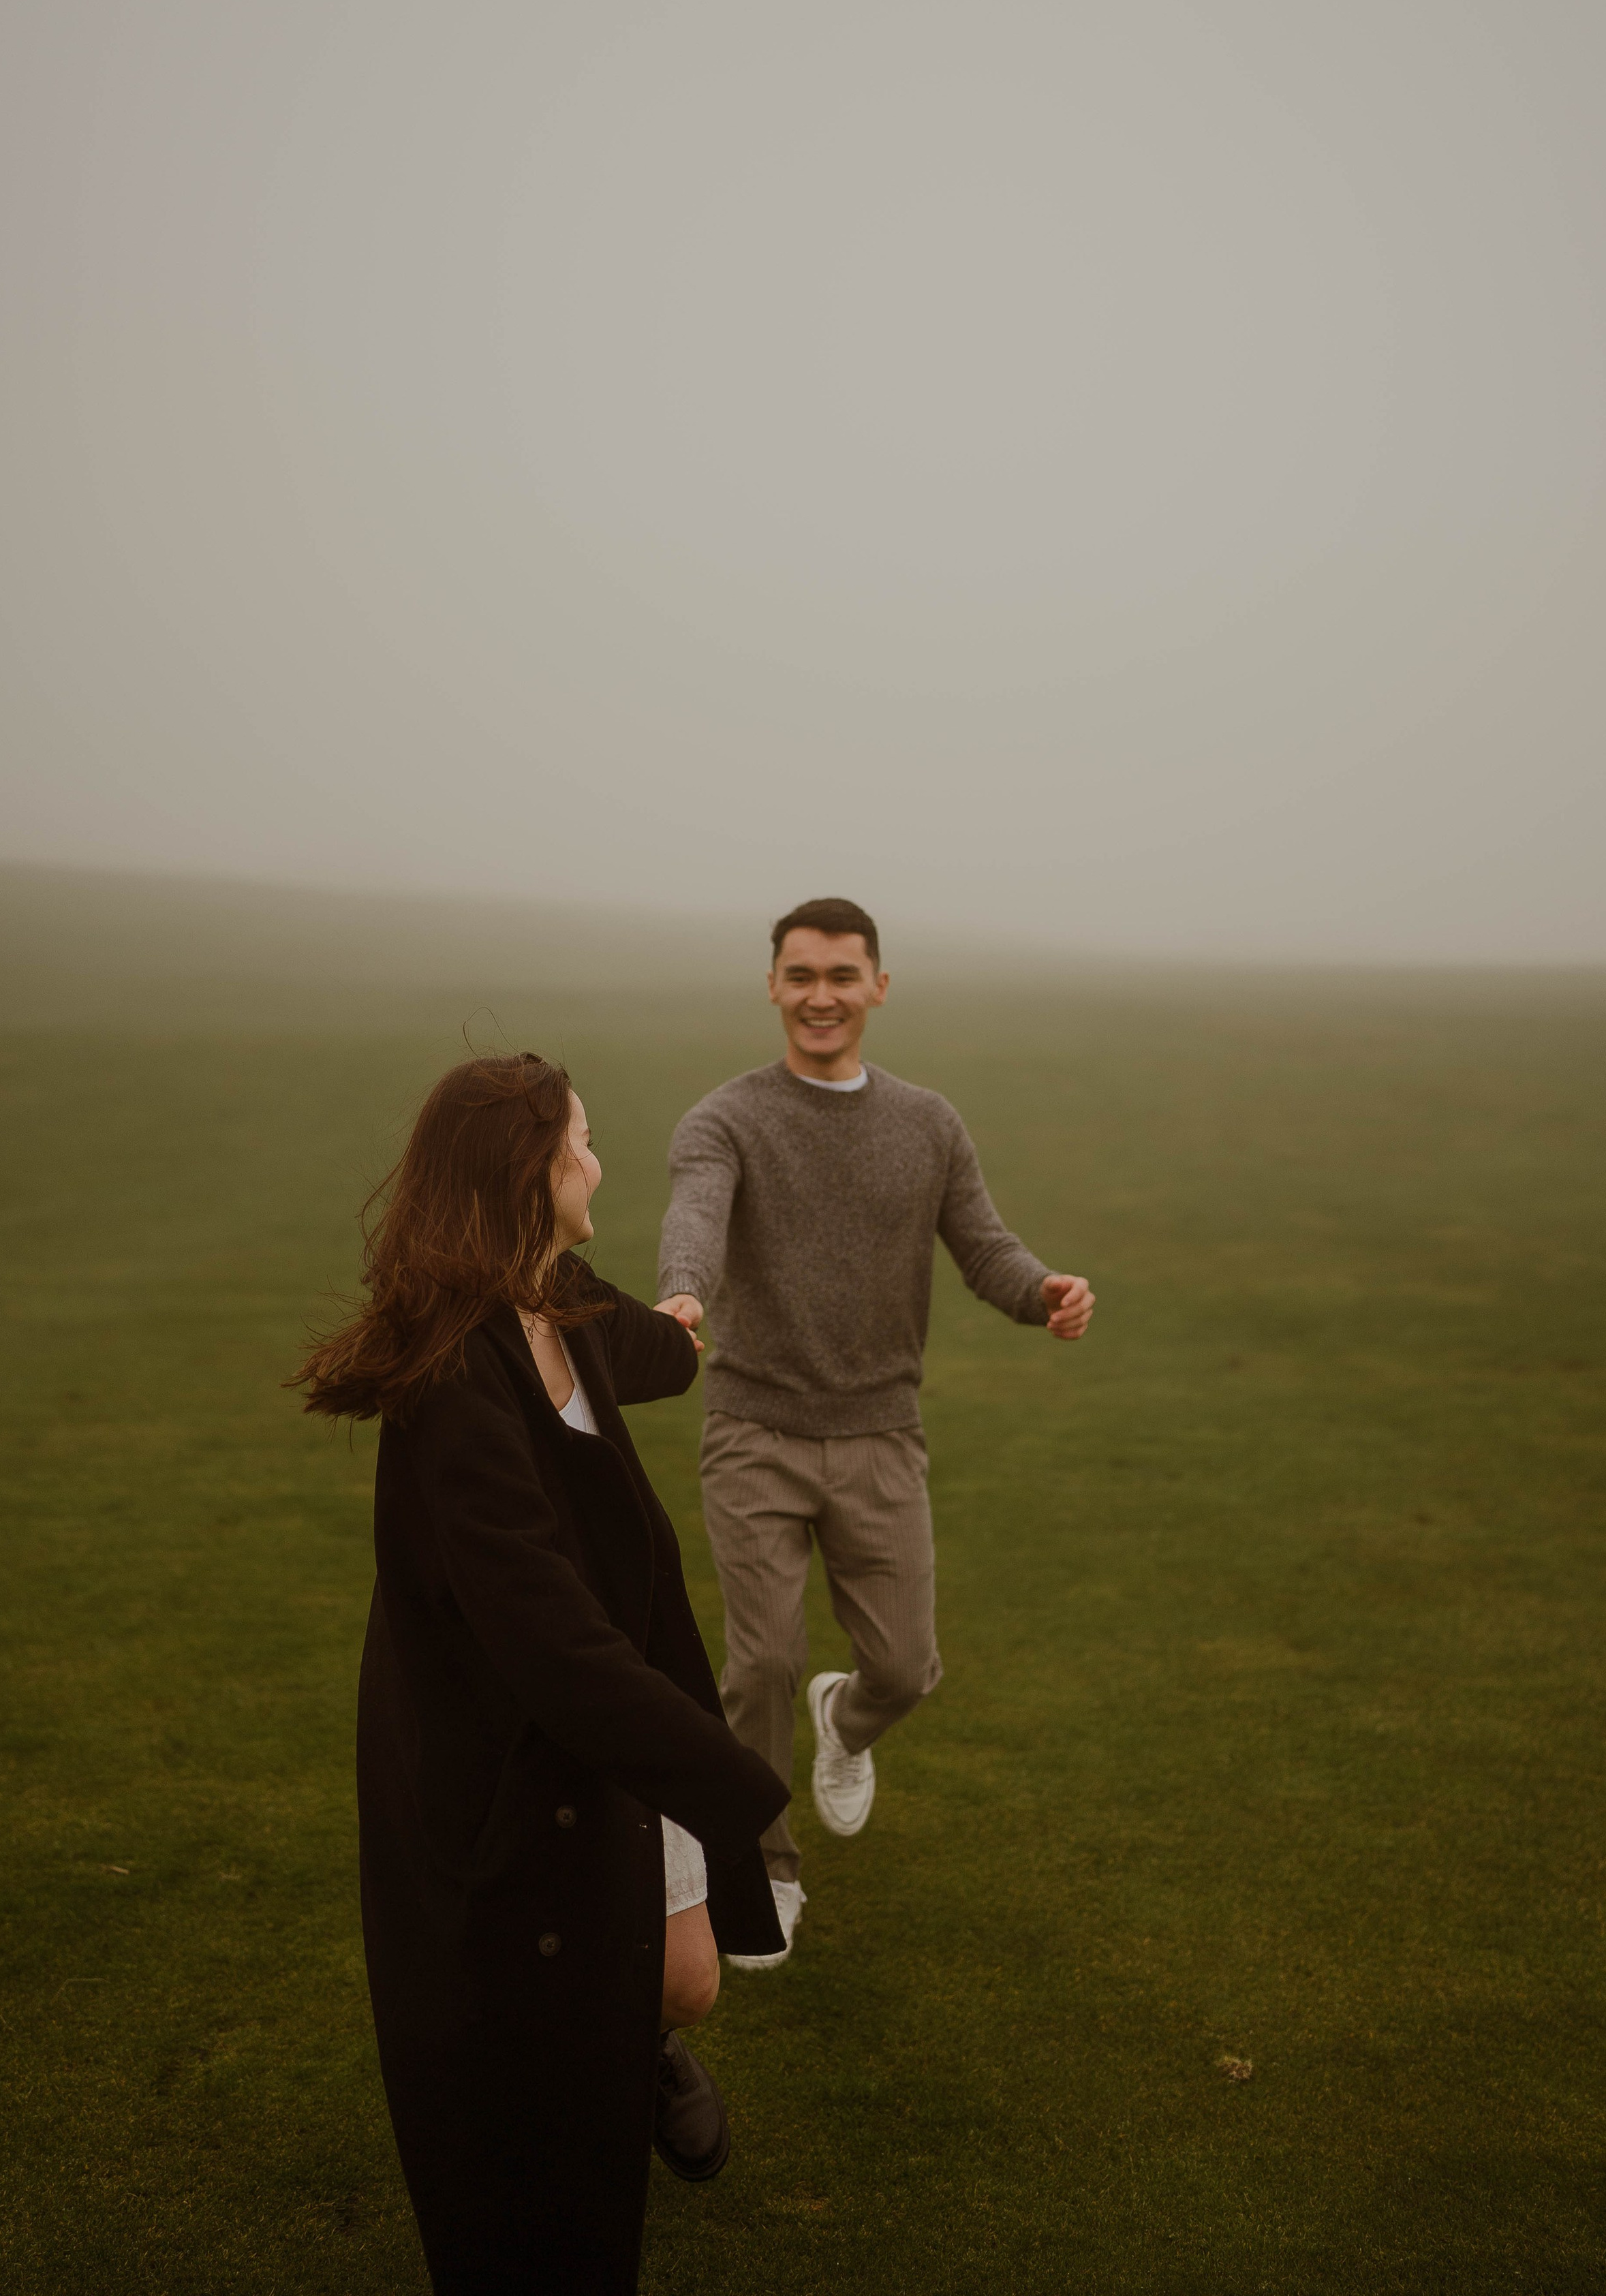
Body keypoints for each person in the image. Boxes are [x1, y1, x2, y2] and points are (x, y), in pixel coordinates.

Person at [294, 1053, 788, 2296]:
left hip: (604, 1734)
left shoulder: (552, 1294)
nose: (598, 1160)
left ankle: (644, 2054)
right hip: (515, 1771)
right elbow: (548, 1642)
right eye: (584, 1141)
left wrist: (680, 1322)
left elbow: (649, 1354)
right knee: (528, 2156)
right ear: (535, 1170)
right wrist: (732, 1778)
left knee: (687, 1985)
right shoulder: (457, 1376)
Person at [656, 898, 1094, 1964]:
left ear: (878, 988)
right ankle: (763, 1870)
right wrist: (680, 1297)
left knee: (903, 1668)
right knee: (759, 1664)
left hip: (879, 1434)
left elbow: (984, 1249)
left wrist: (1045, 1292)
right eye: (800, 975)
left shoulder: (928, 1124)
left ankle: (844, 1724)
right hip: (754, 1428)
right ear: (772, 986)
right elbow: (697, 1218)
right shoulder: (725, 1119)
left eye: (842, 976)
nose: (821, 996)